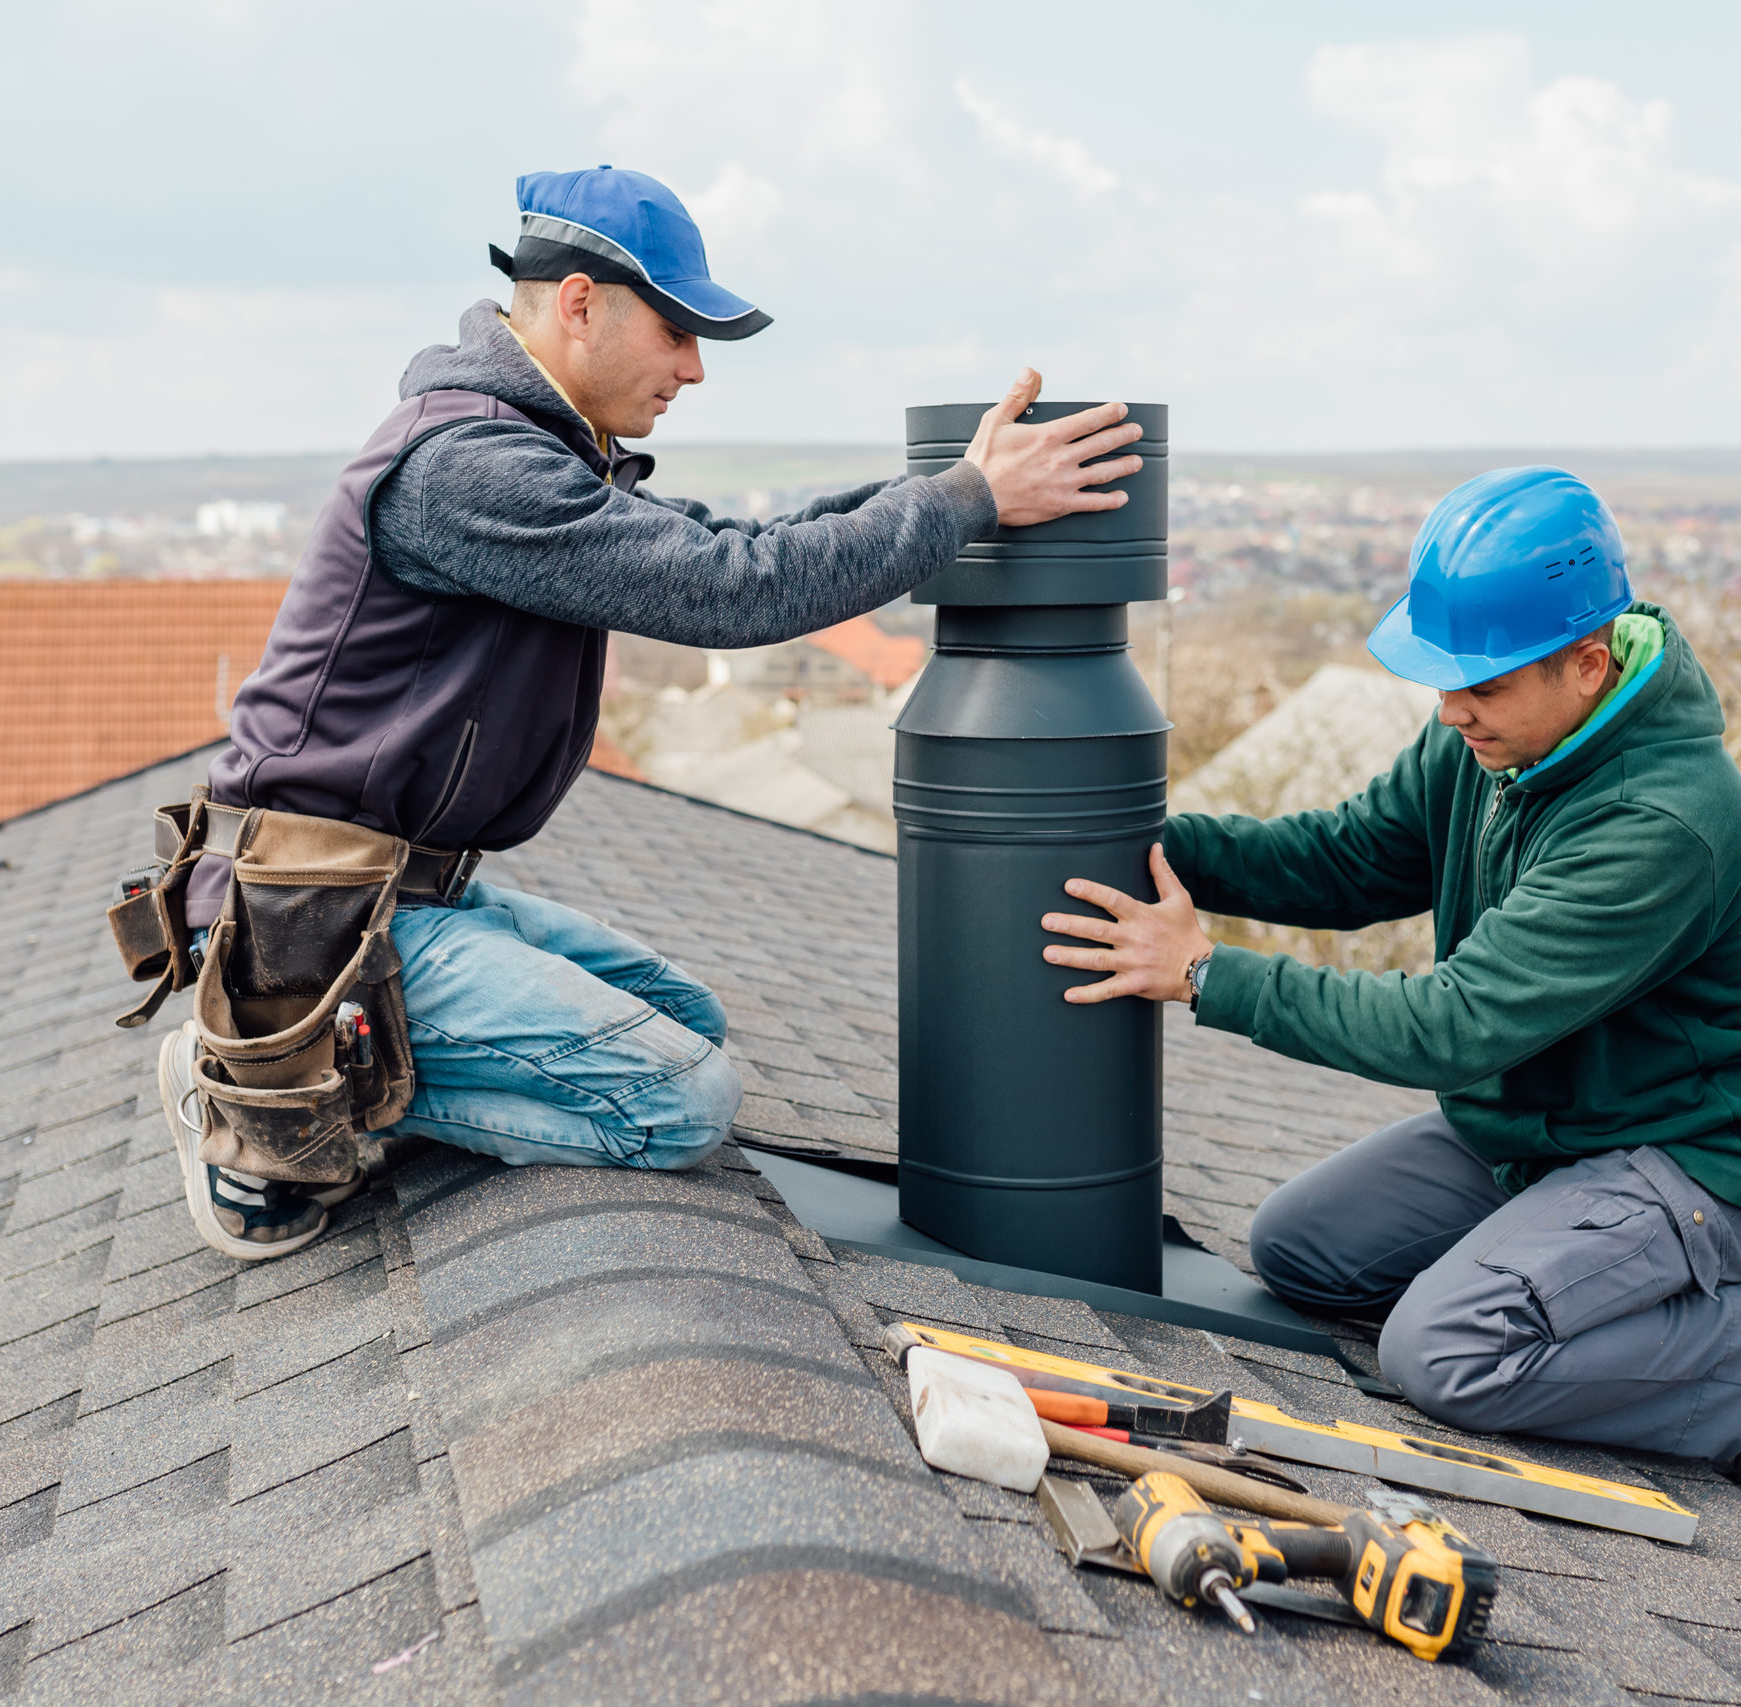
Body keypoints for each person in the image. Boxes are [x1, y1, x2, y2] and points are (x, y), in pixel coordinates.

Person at [161, 165, 1140, 1263]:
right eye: (677, 331)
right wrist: (972, 500)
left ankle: (331, 1060)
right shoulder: (468, 469)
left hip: (403, 898)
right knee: (678, 1098)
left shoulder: (533, 451)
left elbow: (728, 545)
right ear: (578, 303)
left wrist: (947, 485)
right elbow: (737, 591)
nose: (693, 368)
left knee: (688, 1024)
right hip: (314, 921)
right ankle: (267, 1089)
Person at [1038, 467, 1741, 1504]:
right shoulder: (1498, 740)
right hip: (1540, 1134)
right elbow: (1350, 861)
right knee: (1301, 1251)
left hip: (1692, 1157)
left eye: (1480, 687)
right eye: (1444, 681)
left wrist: (1204, 975)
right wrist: (1145, 844)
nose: (1451, 711)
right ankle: (1579, 1287)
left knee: (1444, 1356)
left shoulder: (1659, 824)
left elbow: (1450, 1028)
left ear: (1587, 667)